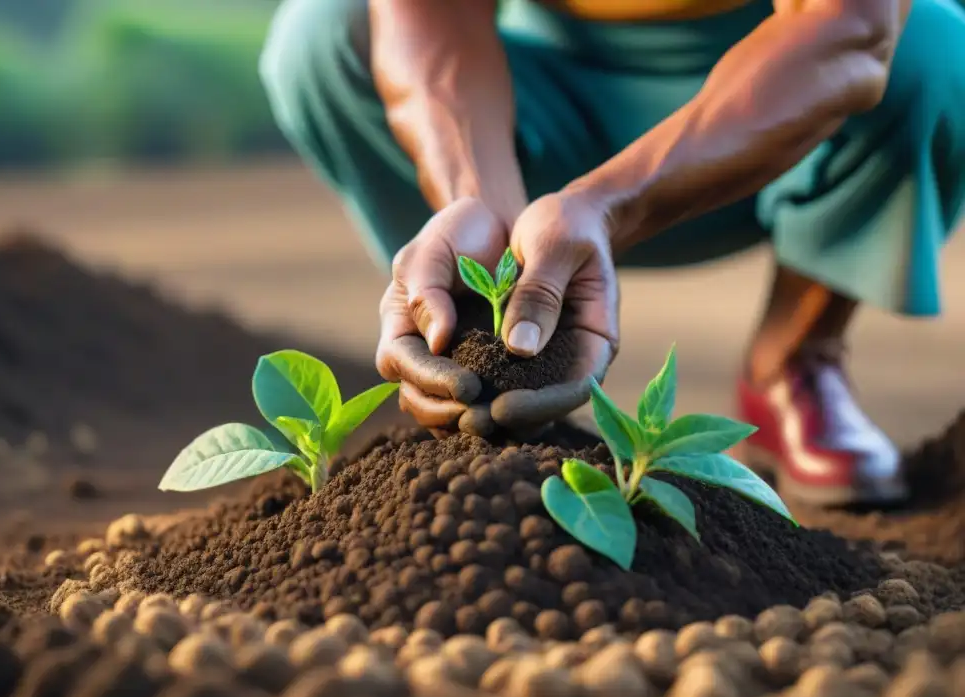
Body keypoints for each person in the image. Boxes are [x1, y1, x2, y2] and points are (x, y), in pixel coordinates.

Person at [258, 0, 964, 506]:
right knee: (323, 31)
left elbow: (850, 28)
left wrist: (608, 204)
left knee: (932, 45)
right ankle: (477, 332)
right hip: (542, 102)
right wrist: (477, 198)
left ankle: (796, 360)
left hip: (785, 113)